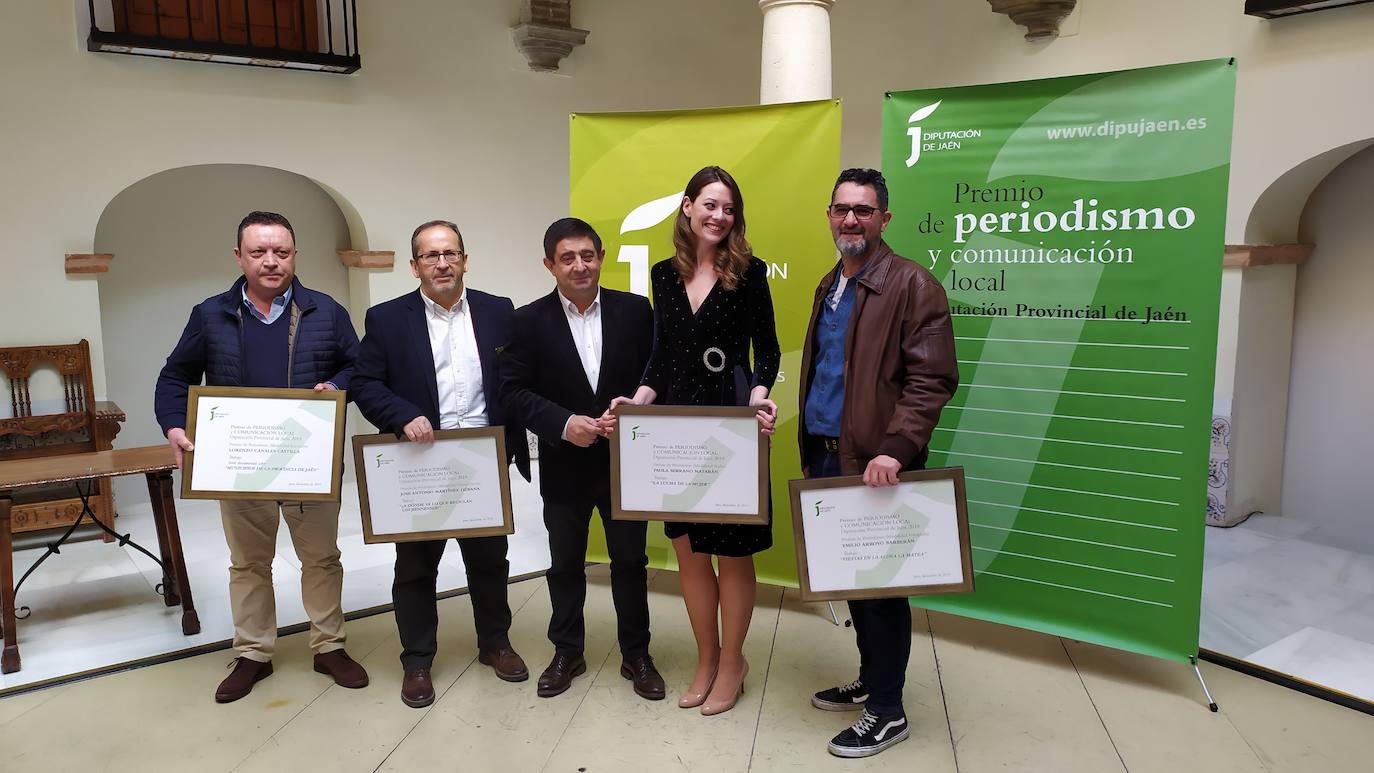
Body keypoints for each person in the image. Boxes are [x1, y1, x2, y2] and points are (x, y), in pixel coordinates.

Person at [154, 210, 369, 703]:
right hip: (240, 466)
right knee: (249, 562)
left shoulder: (326, 311)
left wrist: (336, 385)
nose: (271, 261)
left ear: (294, 255)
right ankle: (253, 653)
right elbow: (175, 376)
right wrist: (175, 425)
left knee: (321, 558)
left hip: (308, 463)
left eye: (281, 251)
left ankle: (329, 646)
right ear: (239, 256)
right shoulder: (210, 314)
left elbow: (360, 367)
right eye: (259, 252)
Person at [607, 166, 780, 716]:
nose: (719, 216)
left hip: (731, 421)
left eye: (728, 208)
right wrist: (638, 401)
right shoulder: (663, 274)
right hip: (676, 428)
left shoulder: (749, 272)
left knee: (732, 553)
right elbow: (661, 356)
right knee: (689, 551)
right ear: (687, 206)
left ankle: (732, 662)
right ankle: (706, 660)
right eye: (710, 204)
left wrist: (758, 397)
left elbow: (767, 350)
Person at [798, 169, 958, 758]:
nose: (851, 219)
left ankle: (888, 712)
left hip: (877, 465)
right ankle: (873, 680)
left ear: (884, 219)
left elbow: (932, 378)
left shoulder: (914, 285)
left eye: (863, 210)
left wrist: (896, 447)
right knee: (854, 581)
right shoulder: (830, 284)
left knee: (883, 590)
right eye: (841, 209)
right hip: (828, 458)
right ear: (829, 215)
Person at [351, 219, 532, 708]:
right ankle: (417, 660)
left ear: (465, 260)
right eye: (431, 256)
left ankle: (495, 643)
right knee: (415, 567)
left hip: (483, 461)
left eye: (450, 253)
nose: (442, 263)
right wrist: (402, 415)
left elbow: (517, 377)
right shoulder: (387, 319)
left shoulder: (499, 311)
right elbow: (365, 384)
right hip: (420, 463)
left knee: (489, 562)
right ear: (415, 267)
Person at [499, 217, 663, 700]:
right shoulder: (527, 321)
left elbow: (657, 373)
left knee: (630, 562)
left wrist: (638, 406)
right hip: (563, 463)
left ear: (601, 258)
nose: (579, 265)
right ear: (549, 264)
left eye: (587, 255)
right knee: (564, 563)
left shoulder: (636, 311)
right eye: (567, 258)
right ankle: (567, 651)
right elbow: (513, 391)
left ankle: (637, 654)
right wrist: (563, 422)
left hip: (625, 463)